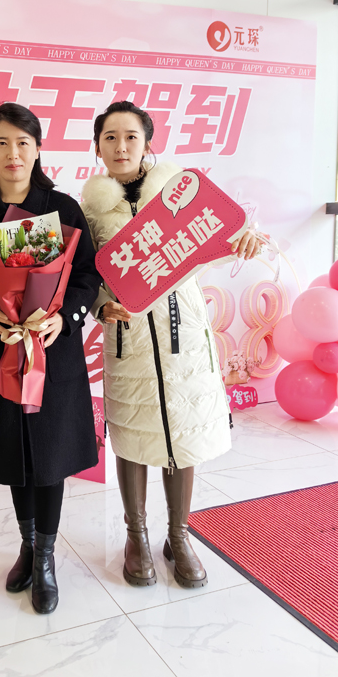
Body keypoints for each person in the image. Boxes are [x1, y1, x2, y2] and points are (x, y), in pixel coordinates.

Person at [81, 100, 260, 589]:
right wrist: (101, 306)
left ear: (147, 143)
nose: (121, 147)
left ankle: (179, 536)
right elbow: (83, 277)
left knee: (184, 429)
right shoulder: (89, 210)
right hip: (128, 337)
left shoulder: (181, 193)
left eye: (131, 137)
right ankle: (136, 536)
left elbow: (218, 240)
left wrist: (244, 239)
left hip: (185, 334)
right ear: (97, 147)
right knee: (132, 433)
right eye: (110, 137)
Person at [0, 102, 101, 614]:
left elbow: (86, 275)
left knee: (49, 453)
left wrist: (64, 318)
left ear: (37, 149)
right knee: (15, 452)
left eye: (23, 143)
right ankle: (28, 545)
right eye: (2, 143)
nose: (13, 153)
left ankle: (47, 557)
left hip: (50, 352)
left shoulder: (63, 208)